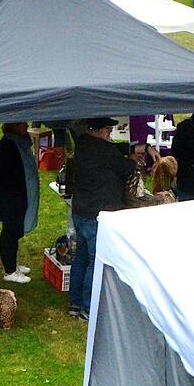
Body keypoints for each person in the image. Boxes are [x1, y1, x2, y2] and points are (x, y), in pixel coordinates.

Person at [64, 118, 135, 320]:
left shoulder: (83, 145)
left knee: (81, 258)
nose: (110, 134)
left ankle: (74, 303)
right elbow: (126, 169)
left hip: (81, 211)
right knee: (94, 262)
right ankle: (88, 307)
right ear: (100, 131)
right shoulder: (106, 151)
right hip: (97, 214)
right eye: (108, 130)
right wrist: (131, 158)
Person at [0, 123, 38, 283]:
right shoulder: (8, 146)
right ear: (14, 126)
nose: (27, 126)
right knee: (10, 232)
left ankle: (12, 264)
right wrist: (10, 195)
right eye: (23, 124)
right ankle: (9, 271)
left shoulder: (17, 142)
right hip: (10, 199)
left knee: (14, 232)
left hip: (16, 197)